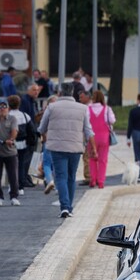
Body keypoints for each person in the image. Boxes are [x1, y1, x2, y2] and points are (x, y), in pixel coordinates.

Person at [39, 82, 92, 219]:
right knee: (71, 177)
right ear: (72, 92)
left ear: (59, 92)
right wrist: (92, 146)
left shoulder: (52, 107)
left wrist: (44, 134)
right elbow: (88, 130)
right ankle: (69, 207)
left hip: (57, 147)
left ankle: (64, 207)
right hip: (75, 147)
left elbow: (42, 127)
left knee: (61, 177)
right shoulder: (82, 108)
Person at [85, 88, 116, 189]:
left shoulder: (88, 108)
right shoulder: (107, 109)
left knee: (92, 158)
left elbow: (85, 121)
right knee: (103, 160)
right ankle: (101, 181)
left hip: (91, 137)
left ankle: (93, 180)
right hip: (104, 137)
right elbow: (112, 120)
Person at [10, 94, 37, 190]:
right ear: (19, 104)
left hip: (10, 144)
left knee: (11, 165)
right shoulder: (25, 116)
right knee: (21, 164)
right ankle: (20, 185)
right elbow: (32, 130)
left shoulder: (7, 116)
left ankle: (12, 184)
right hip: (22, 143)